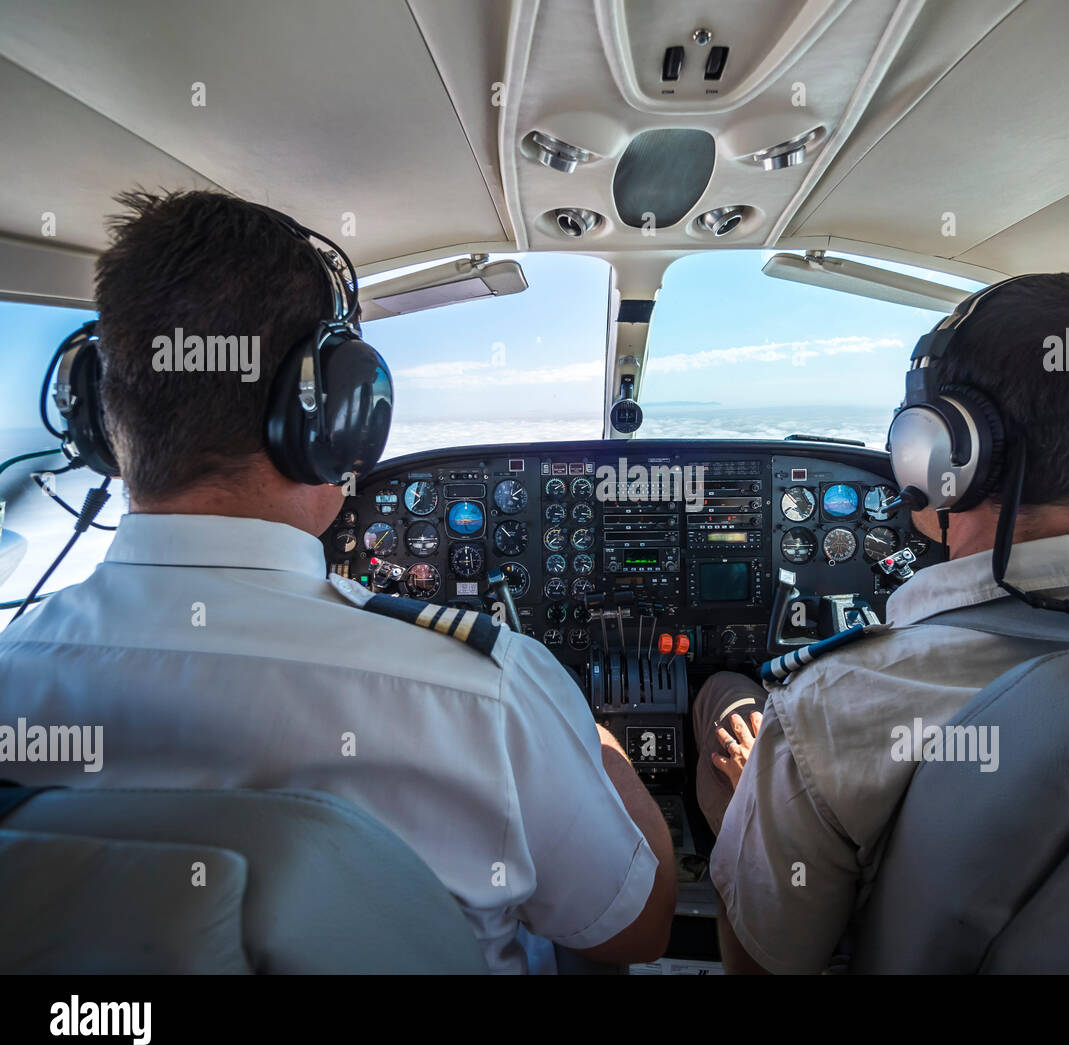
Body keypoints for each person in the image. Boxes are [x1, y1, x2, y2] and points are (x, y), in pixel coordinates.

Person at [0, 189, 675, 974]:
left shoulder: (14, 673)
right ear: (336, 417)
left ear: (96, 417)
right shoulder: (488, 696)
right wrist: (598, 746)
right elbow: (636, 928)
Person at [692, 272, 1069, 974]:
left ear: (947, 447)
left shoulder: (837, 704)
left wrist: (749, 816)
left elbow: (760, 965)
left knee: (727, 697)